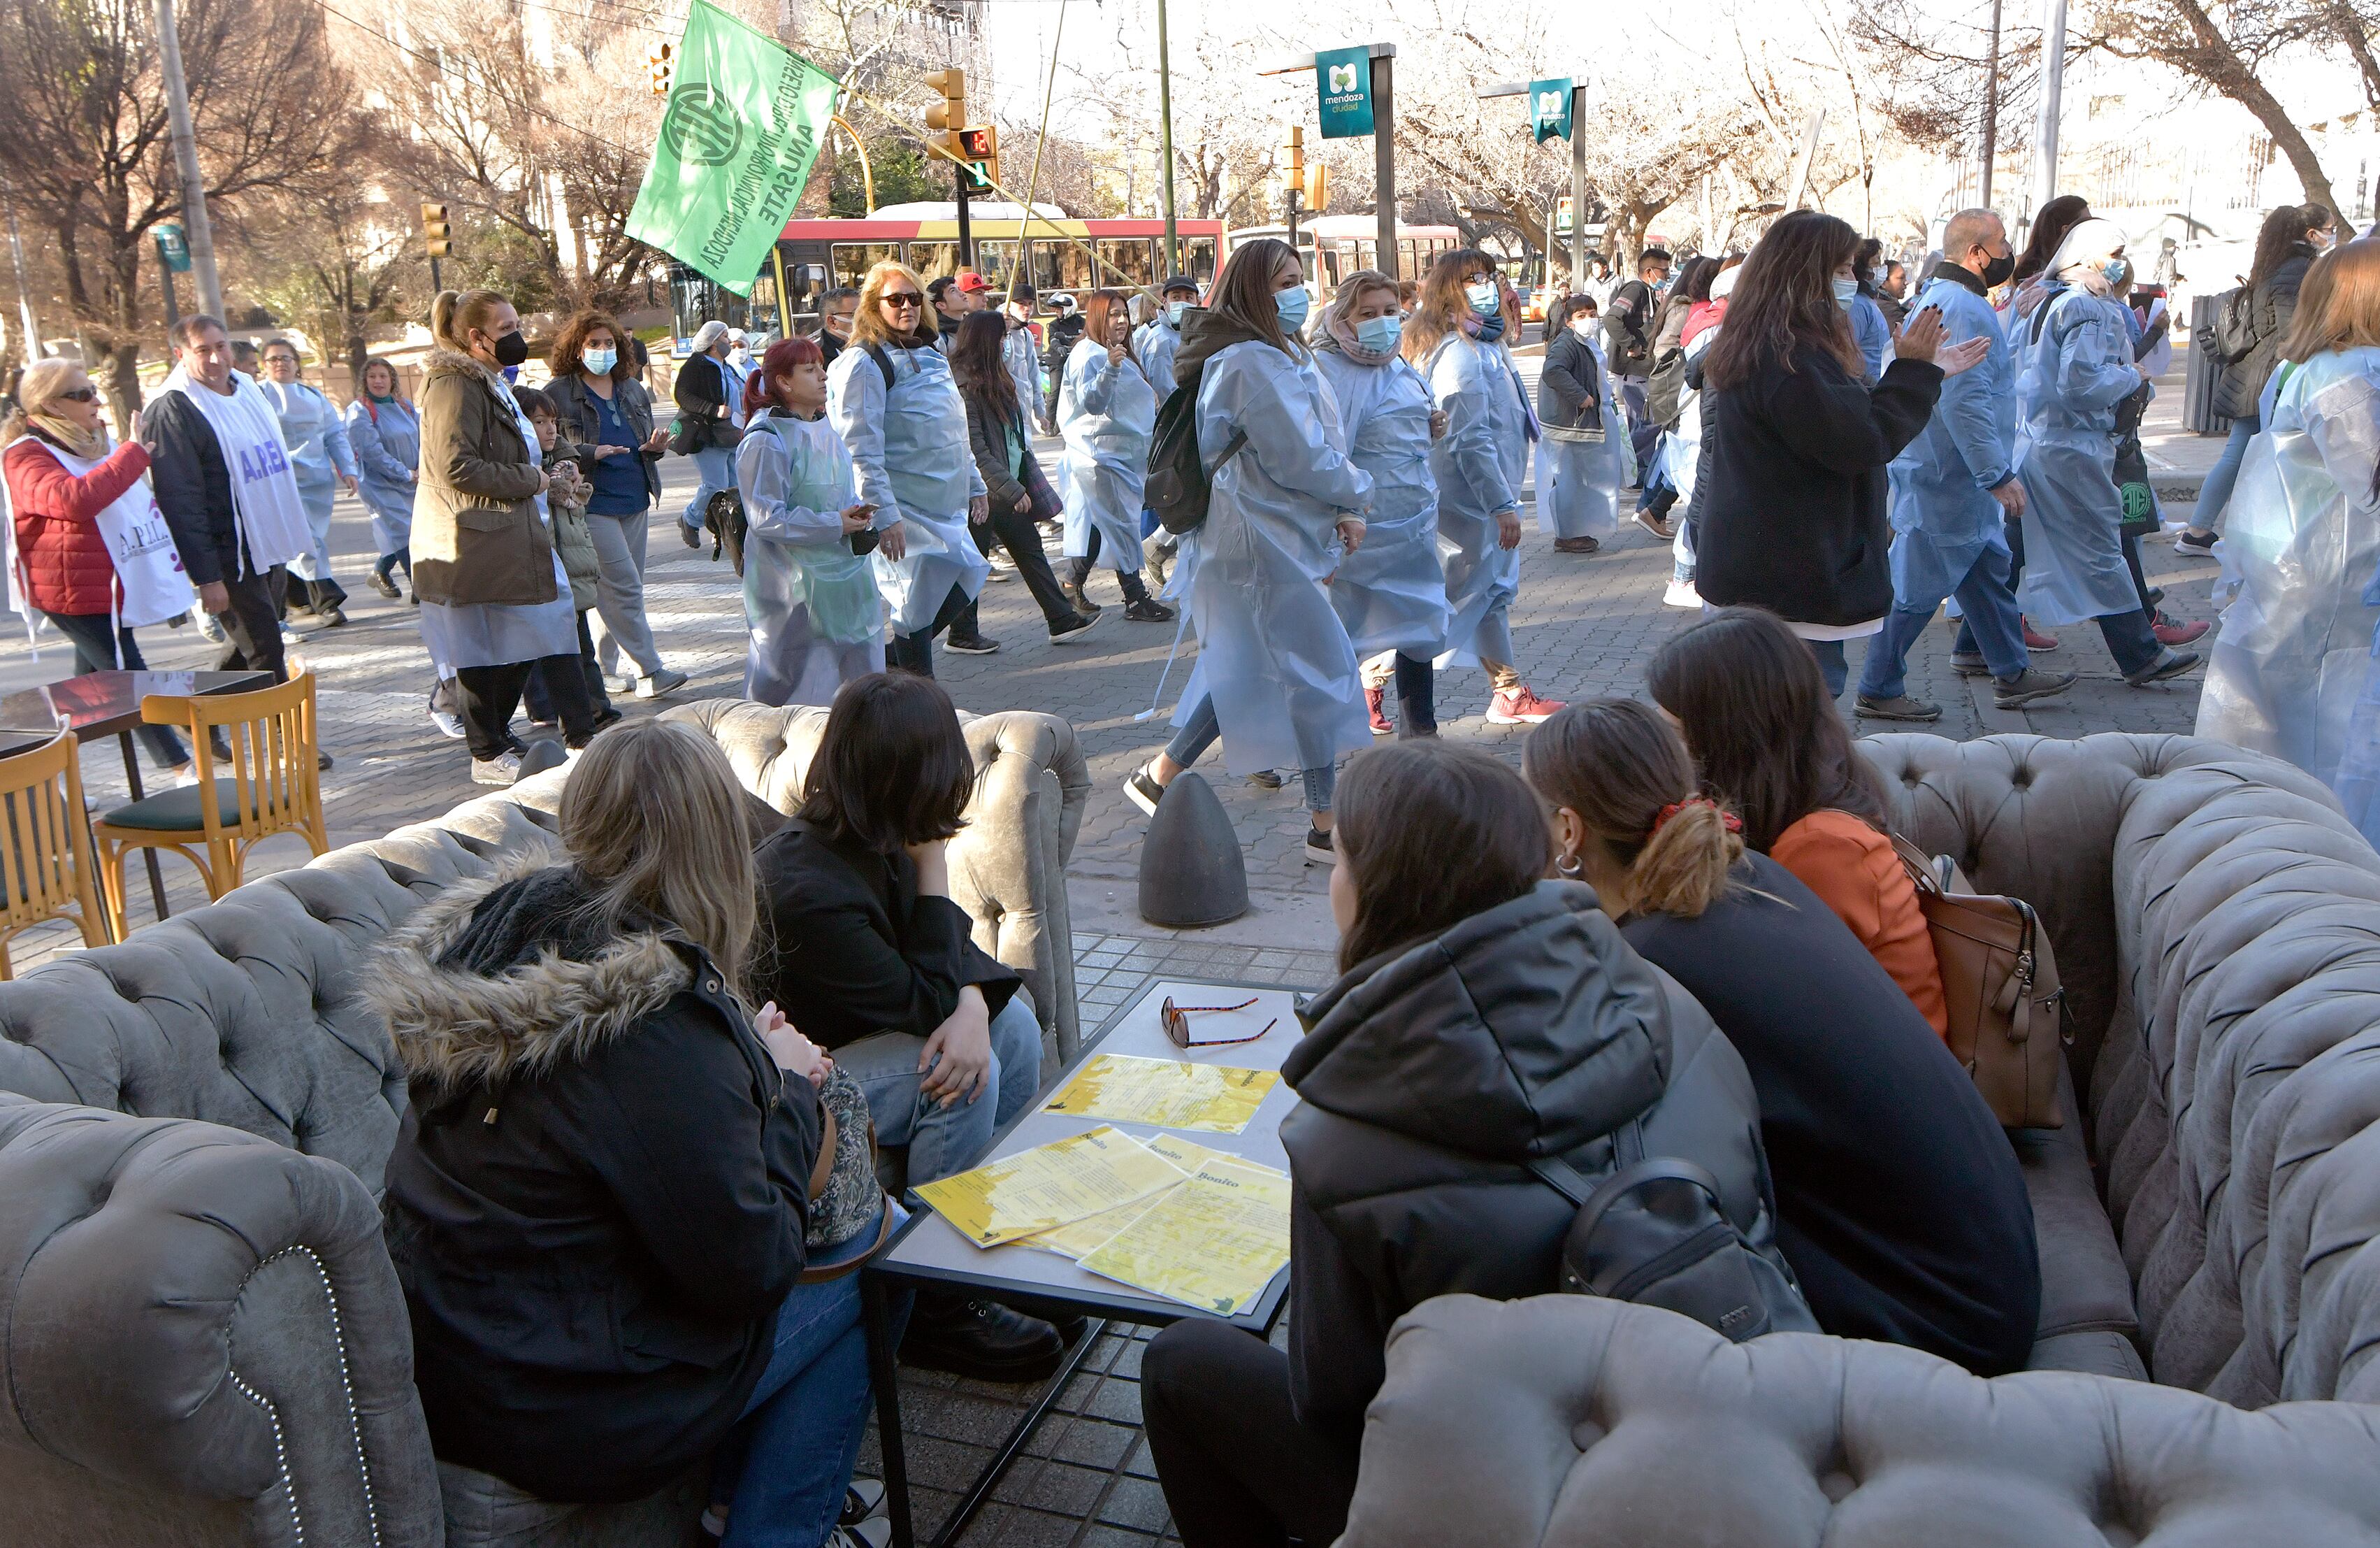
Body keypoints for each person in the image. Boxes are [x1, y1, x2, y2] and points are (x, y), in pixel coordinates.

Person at [1141, 738, 1782, 1548]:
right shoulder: (1671, 1002)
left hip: (1518, 1500)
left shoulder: (1344, 1135)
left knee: (1181, 1363)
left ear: (1374, 892)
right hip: (1727, 1440)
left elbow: (1334, 1403)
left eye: (1339, 861)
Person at [368, 719, 885, 1548]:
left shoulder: (504, 947)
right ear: (719, 845)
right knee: (874, 1262)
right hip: (564, 1417)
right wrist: (789, 1091)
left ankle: (732, 1502)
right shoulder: (652, 1025)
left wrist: (742, 1066)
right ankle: (773, 1530)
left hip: (459, 1370)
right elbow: (753, 1266)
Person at [1523, 698, 2040, 1375]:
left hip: (1931, 1323)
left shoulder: (1654, 964)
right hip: (1988, 1272)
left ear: (1567, 830)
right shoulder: (1750, 878)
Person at [754, 673, 1067, 1382]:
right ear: (914, 778)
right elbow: (928, 986)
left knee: (1008, 1027)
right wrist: (934, 869)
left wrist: (969, 1007)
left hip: (856, 1049)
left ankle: (983, 1248)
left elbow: (957, 965)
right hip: (790, 1091)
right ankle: (933, 1303)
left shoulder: (868, 835)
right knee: (948, 1074)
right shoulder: (810, 891)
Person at [1120, 238, 1373, 863]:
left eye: (1297, 276)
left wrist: (1340, 505)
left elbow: (1316, 442)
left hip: (1273, 539)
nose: (1296, 291)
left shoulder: (1270, 353)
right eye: (1280, 281)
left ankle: (1160, 775)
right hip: (1264, 545)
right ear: (1249, 291)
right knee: (1313, 676)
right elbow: (1302, 456)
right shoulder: (1251, 363)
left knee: (1254, 669)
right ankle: (1324, 824)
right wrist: (1356, 494)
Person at [1694, 210, 1984, 696]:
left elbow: (1843, 423)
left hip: (1768, 573)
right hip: (1790, 580)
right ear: (1807, 276)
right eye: (1845, 270)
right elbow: (1860, 441)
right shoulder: (1790, 359)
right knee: (1795, 727)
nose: (1854, 282)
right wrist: (1913, 373)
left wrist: (1921, 373)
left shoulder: (1773, 347)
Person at [1650, 606, 1950, 1034]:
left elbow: (1775, 999)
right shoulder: (1810, 790)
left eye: (1677, 735)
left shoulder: (1822, 846)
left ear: (1732, 738)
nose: (1668, 753)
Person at [1853, 208, 2077, 718]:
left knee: (1984, 573)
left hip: (1952, 476)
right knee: (1916, 590)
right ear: (1976, 254)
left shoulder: (1954, 300)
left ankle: (2011, 673)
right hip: (1948, 477)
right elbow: (1963, 400)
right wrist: (1994, 474)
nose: (2008, 251)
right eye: (2000, 243)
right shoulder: (1960, 306)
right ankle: (1878, 686)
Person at [2209, 241, 2380, 810]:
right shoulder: (2348, 376)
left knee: (2280, 715)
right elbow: (2371, 479)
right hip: (2328, 577)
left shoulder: (2308, 364)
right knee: (2322, 726)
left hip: (2295, 564)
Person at [414, 288, 600, 784]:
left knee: (530, 634)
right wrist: (530, 481)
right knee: (484, 647)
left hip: (513, 531)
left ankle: (500, 735)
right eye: (505, 329)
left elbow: (521, 444)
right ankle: (486, 748)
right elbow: (456, 465)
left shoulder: (492, 381)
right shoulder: (454, 384)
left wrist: (556, 464)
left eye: (516, 324)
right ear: (475, 338)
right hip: (474, 538)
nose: (517, 337)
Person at [2013, 217, 2202, 687]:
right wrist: (2132, 376)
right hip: (2074, 444)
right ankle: (2139, 654)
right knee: (2102, 550)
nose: (2119, 261)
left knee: (2012, 550)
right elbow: (2080, 383)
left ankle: (1979, 645)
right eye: (2113, 251)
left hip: (2040, 441)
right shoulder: (2087, 308)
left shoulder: (2046, 301)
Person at [2, 357, 193, 777]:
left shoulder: (88, 443)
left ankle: (41, 771)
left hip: (106, 583)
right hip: (67, 589)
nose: (95, 400)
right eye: (82, 394)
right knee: (126, 674)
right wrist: (131, 456)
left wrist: (125, 453)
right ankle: (180, 766)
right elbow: (74, 501)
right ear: (51, 405)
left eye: (93, 391)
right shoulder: (24, 455)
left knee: (82, 692)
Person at [1404, 249, 1567, 725]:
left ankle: (1509, 690)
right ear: (1449, 291)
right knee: (1448, 600)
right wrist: (1500, 504)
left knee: (1490, 594)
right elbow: (1469, 436)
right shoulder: (1460, 354)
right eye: (1472, 278)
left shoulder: (1486, 344)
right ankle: (1369, 682)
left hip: (1488, 496)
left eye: (1489, 276)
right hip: (1468, 501)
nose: (1486, 285)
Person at [828, 260, 988, 678]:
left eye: (913, 298)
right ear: (873, 305)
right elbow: (859, 447)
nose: (906, 307)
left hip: (945, 504)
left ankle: (888, 662)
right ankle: (920, 700)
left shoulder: (931, 349)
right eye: (895, 299)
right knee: (914, 607)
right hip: (904, 506)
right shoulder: (863, 363)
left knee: (969, 573)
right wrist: (885, 516)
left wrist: (975, 483)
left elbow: (954, 426)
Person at [1313, 270, 1452, 738]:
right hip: (1360, 533)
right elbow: (1323, 454)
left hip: (1410, 528)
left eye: (1390, 312)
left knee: (1418, 629)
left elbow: (1403, 424)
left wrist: (1430, 424)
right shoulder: (1327, 370)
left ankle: (1421, 732)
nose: (1382, 322)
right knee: (1335, 641)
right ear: (1343, 317)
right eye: (1367, 314)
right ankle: (1294, 734)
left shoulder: (1397, 363)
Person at [141, 315, 311, 692]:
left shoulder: (247, 388)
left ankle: (192, 710)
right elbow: (180, 500)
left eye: (221, 347)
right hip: (228, 552)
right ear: (180, 354)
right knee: (266, 647)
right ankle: (290, 742)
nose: (217, 358)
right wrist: (206, 577)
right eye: (203, 350)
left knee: (249, 642)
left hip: (266, 539)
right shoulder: (173, 410)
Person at [735, 336, 890, 704]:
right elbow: (767, 518)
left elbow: (836, 490)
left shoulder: (822, 426)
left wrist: (854, 512)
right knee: (791, 682)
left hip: (842, 576)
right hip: (791, 583)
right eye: (810, 370)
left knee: (857, 674)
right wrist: (835, 523)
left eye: (821, 367)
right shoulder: (765, 439)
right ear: (784, 382)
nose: (823, 376)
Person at [544, 310, 687, 699]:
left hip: (635, 495)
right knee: (623, 587)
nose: (602, 350)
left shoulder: (630, 388)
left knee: (619, 589)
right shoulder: (559, 393)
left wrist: (654, 448)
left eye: (608, 343)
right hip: (591, 502)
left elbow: (640, 441)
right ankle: (649, 671)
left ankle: (605, 670)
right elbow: (550, 446)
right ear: (577, 348)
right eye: (593, 343)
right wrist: (592, 452)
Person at [2177, 203, 2333, 555]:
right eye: (2329, 228)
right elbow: (2293, 330)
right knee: (2256, 458)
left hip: (2252, 374)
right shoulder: (2297, 269)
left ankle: (2199, 531)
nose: (2331, 235)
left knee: (2238, 456)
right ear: (2311, 234)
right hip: (2267, 378)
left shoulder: (2274, 264)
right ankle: (2212, 533)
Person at [949, 311, 1100, 647]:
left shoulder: (994, 379)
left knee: (1026, 550)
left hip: (1002, 484)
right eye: (1000, 339)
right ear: (985, 342)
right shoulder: (963, 386)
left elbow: (1010, 437)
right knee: (973, 564)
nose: (1006, 345)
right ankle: (940, 636)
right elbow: (975, 449)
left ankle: (1060, 619)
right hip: (982, 489)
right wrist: (1012, 488)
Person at [512, 387, 621, 740]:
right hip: (540, 573)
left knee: (580, 645)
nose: (550, 429)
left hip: (570, 572)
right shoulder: (527, 473)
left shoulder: (565, 469)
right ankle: (547, 708)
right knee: (538, 650)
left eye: (553, 421)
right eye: (539, 422)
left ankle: (596, 707)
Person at [1058, 288, 1172, 622]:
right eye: (1112, 314)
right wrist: (1109, 369)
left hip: (1118, 455)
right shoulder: (1088, 355)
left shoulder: (1114, 351)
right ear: (1097, 318)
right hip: (1100, 457)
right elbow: (1093, 402)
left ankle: (1071, 584)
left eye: (1124, 313)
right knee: (1121, 526)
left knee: (1100, 525)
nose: (1121, 320)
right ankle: (1135, 599)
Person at [255, 338, 359, 626]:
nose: (281, 363)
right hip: (276, 481)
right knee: (306, 539)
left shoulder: (313, 397)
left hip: (315, 480)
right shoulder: (256, 397)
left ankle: (296, 595)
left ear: (297, 363)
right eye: (273, 359)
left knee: (306, 537)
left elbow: (334, 434)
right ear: (264, 365)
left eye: (286, 358)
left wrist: (347, 467)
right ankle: (328, 600)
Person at [1538, 293, 1630, 554]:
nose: (1588, 320)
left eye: (1592, 315)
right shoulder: (1567, 343)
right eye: (1581, 316)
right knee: (1568, 479)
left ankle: (1576, 530)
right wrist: (1581, 397)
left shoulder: (1587, 342)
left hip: (1581, 421)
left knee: (1580, 479)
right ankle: (1567, 535)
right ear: (1569, 321)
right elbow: (1553, 371)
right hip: (1568, 424)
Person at [345, 357, 421, 602]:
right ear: (365, 381)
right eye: (372, 376)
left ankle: (380, 572)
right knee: (403, 531)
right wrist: (405, 473)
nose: (378, 381)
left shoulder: (404, 406)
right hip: (380, 485)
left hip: (413, 480)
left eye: (383, 376)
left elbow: (422, 437)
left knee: (410, 531)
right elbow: (372, 453)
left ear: (392, 380)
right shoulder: (360, 411)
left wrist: (421, 469)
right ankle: (420, 589)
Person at [1604, 246, 1673, 477]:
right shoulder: (1636, 290)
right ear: (1650, 271)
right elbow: (1612, 318)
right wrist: (1631, 344)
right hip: (1634, 369)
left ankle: (1638, 471)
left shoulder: (1649, 293)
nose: (1667, 276)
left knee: (1642, 422)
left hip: (1643, 368)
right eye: (1664, 271)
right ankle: (1622, 463)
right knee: (1651, 421)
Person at [675, 320, 742, 547]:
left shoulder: (726, 367)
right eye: (724, 337)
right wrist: (713, 410)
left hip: (731, 436)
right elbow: (683, 395)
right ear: (712, 342)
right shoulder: (697, 365)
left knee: (735, 488)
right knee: (714, 485)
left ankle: (731, 533)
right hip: (707, 437)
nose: (729, 342)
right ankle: (690, 519)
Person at [1134, 273, 1202, 399]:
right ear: (1165, 303)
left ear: (1197, 303)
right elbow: (1165, 394)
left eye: (1188, 298)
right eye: (1176, 298)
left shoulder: (1190, 334)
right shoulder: (1160, 340)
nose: (1183, 302)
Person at [997, 283, 1046, 433]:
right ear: (1008, 305)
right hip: (1001, 407)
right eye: (1021, 304)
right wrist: (1003, 333)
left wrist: (1040, 412)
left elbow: (1033, 373)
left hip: (1022, 408)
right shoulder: (994, 331)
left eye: (1030, 304)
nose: (1028, 309)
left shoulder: (1026, 335)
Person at [1041, 292, 1086, 427]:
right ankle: (1049, 424)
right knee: (1056, 391)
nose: (1056, 311)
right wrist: (1059, 347)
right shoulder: (1055, 324)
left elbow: (1089, 337)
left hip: (1077, 359)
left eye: (1059, 309)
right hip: (1058, 361)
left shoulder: (1082, 322)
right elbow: (1052, 339)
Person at [816, 287, 859, 370]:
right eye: (855, 314)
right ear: (832, 322)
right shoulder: (816, 359)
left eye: (865, 312)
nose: (864, 319)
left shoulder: (875, 346)